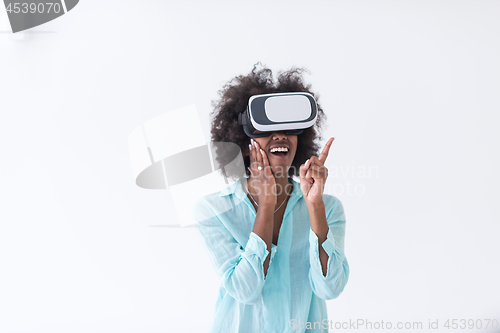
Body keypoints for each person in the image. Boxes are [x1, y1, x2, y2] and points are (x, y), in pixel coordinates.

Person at [193, 65, 349, 333]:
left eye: (289, 128)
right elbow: (245, 290)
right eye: (266, 128)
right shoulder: (214, 210)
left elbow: (330, 288)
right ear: (243, 141)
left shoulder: (328, 207)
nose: (280, 136)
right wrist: (266, 205)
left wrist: (314, 207)